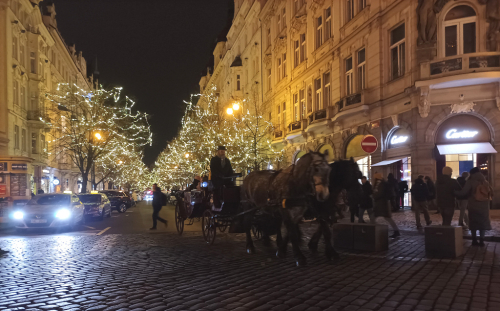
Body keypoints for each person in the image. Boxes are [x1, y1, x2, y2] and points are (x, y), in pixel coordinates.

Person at [455, 167, 492, 246]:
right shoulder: (485, 182)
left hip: (474, 205)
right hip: (484, 205)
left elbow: (463, 192)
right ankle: (482, 240)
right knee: (483, 222)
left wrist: (454, 192)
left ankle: (474, 240)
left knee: (474, 222)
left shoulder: (470, 181)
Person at [373, 173, 400, 238]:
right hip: (381, 204)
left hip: (382, 204)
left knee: (386, 218)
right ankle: (396, 231)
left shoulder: (381, 184)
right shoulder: (381, 183)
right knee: (377, 217)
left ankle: (395, 231)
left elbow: (380, 193)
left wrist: (374, 196)